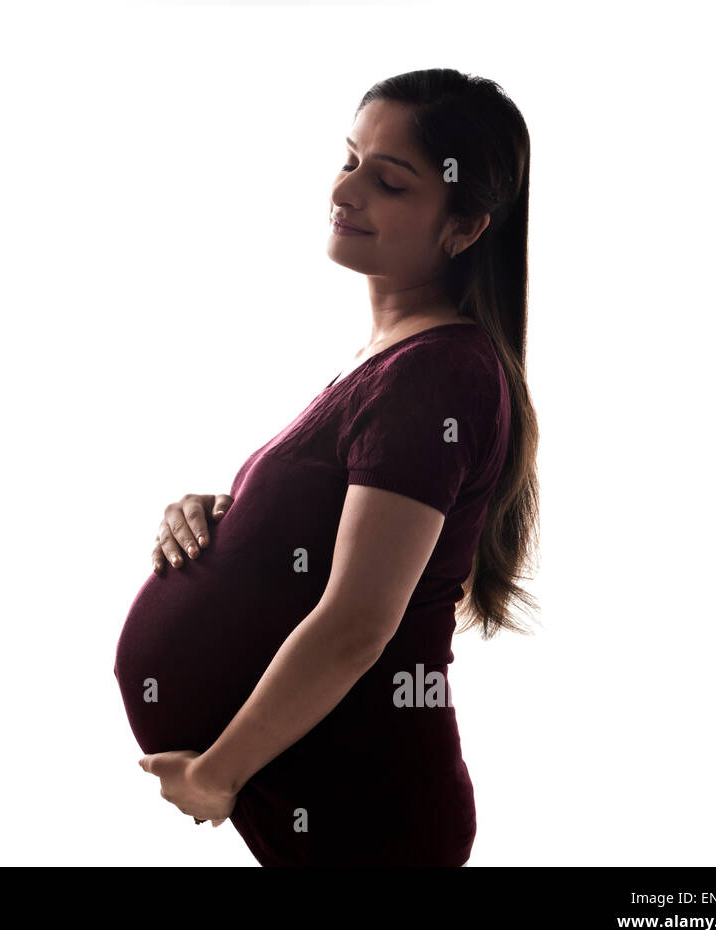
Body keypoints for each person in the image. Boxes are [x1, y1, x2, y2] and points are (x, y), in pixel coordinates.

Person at [115, 68, 540, 866]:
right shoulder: (390, 361)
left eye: (389, 181)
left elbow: (356, 624)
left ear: (463, 227)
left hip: (368, 817)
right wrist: (228, 512)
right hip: (332, 805)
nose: (346, 191)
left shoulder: (439, 373)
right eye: (349, 159)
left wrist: (216, 774)